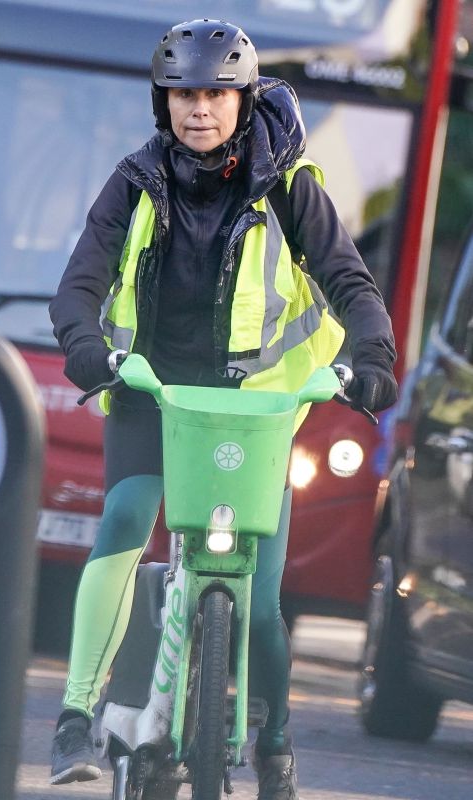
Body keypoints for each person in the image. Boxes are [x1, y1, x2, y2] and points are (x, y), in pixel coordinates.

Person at [48, 18, 397, 800]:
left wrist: (371, 358)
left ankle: (274, 741)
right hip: (151, 388)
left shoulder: (291, 184)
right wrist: (85, 346)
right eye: (181, 94)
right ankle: (75, 717)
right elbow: (78, 285)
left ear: (242, 100)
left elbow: (352, 286)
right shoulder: (135, 179)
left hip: (253, 405)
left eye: (214, 93)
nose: (197, 109)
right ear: (161, 101)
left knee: (263, 596)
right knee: (127, 518)